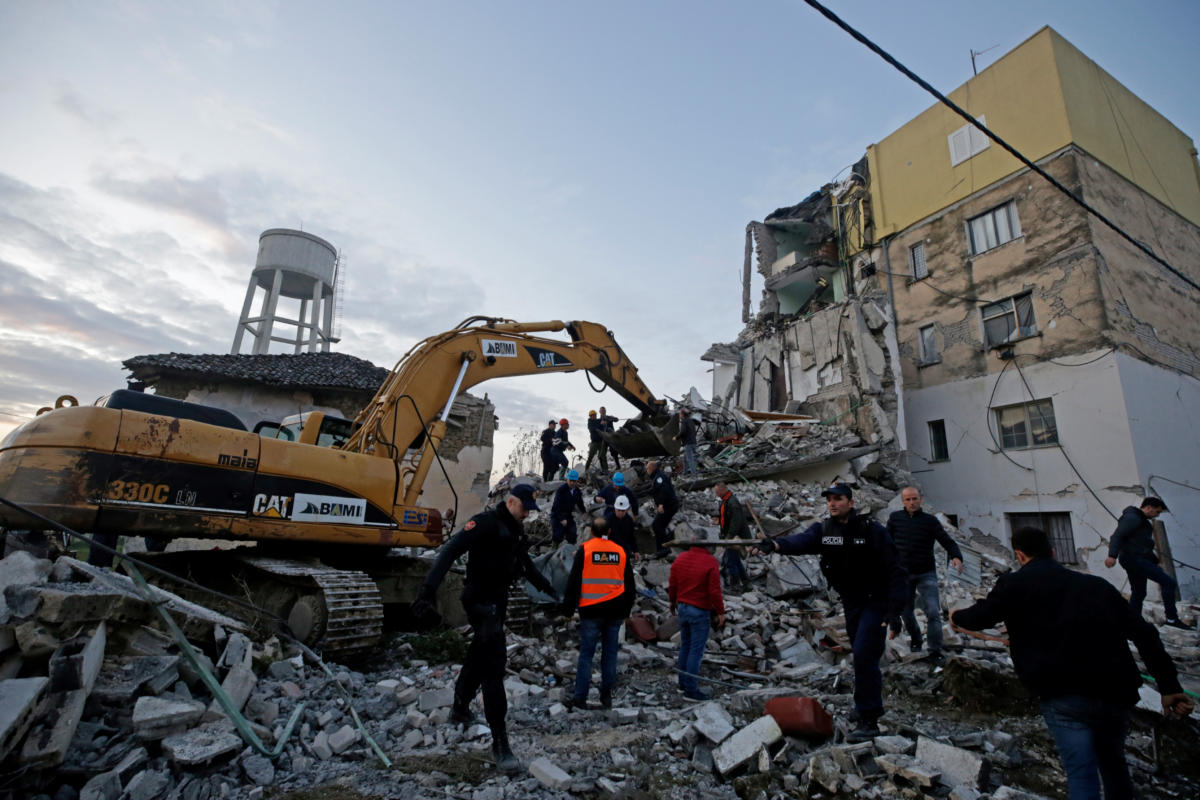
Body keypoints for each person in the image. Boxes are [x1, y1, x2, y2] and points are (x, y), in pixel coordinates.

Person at [951, 526, 1193, 800]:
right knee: (1114, 765)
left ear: (1019, 555)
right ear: (1053, 552)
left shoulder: (1014, 585)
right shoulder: (1097, 586)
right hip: (1114, 692)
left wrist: (956, 617)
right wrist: (1169, 686)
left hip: (1063, 695)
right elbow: (1145, 634)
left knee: (1081, 773)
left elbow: (982, 616)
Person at [412, 484, 557, 774]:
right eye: (525, 507)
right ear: (511, 501)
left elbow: (525, 563)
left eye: (531, 509)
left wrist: (549, 590)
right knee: (494, 664)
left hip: (498, 601)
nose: (528, 513)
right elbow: (451, 549)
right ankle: (500, 742)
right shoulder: (485, 522)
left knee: (480, 653)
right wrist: (428, 590)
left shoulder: (515, 529)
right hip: (478, 601)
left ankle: (459, 707)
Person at [754, 483, 907, 742]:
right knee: (860, 654)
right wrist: (776, 545)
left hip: (876, 602)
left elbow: (896, 569)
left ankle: (869, 720)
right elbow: (800, 541)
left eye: (838, 499)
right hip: (852, 603)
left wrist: (895, 611)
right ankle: (864, 708)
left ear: (851, 502)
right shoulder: (825, 530)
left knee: (865, 656)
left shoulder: (871, 531)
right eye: (829, 500)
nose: (833, 504)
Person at [562, 516, 636, 710]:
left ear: (592, 532)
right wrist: (627, 610)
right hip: (615, 611)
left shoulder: (585, 550)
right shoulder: (620, 552)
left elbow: (574, 581)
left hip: (591, 610)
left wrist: (568, 609)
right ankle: (606, 697)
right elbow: (630, 585)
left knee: (586, 655)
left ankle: (580, 699)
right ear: (609, 532)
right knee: (610, 654)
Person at [886, 486, 965, 662]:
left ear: (920, 499)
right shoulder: (895, 519)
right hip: (903, 574)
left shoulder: (930, 521)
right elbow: (886, 542)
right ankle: (916, 640)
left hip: (926, 573)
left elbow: (946, 541)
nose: (912, 502)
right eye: (908, 500)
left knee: (933, 612)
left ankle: (934, 651)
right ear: (903, 501)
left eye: (914, 499)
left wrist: (957, 557)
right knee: (906, 612)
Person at [1105, 497, 1192, 629]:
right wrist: (1112, 556)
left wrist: (1153, 560)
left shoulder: (1140, 520)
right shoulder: (1133, 518)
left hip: (1134, 558)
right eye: (1157, 512)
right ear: (1149, 507)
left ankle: (1132, 622)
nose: (1157, 515)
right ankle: (1172, 619)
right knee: (1168, 582)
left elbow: (1142, 544)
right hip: (1133, 559)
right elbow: (1117, 536)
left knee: (1139, 592)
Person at [669, 530, 725, 701]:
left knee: (685, 646)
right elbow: (714, 591)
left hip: (683, 607)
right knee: (696, 650)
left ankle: (682, 683)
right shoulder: (710, 562)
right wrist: (721, 611)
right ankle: (691, 690)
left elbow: (673, 583)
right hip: (699, 609)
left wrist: (672, 602)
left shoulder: (680, 559)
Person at [712, 482, 750, 591]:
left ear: (722, 490)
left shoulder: (732, 502)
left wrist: (729, 536)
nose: (716, 494)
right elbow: (728, 519)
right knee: (735, 560)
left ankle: (735, 585)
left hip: (735, 537)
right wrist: (719, 522)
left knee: (731, 561)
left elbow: (736, 522)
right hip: (731, 535)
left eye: (717, 491)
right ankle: (746, 582)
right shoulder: (726, 501)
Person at [646, 460, 679, 558]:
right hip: (669, 505)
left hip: (668, 506)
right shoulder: (658, 476)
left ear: (652, 468)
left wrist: (661, 504)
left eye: (647, 468)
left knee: (657, 525)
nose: (646, 470)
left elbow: (663, 491)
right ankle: (664, 547)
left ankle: (663, 549)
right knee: (660, 525)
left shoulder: (659, 478)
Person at [550, 469, 586, 545]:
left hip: (568, 514)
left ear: (577, 481)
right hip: (557, 514)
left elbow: (580, 503)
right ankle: (554, 548)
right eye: (570, 481)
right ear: (567, 480)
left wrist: (584, 512)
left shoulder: (577, 491)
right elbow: (556, 505)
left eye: (574, 481)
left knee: (572, 533)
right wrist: (562, 518)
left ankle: (570, 549)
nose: (572, 483)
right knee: (558, 534)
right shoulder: (561, 490)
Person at [673, 407, 699, 475]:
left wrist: (676, 437)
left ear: (682, 414)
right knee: (685, 459)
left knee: (690, 459)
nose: (679, 415)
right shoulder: (691, 421)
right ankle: (685, 473)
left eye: (680, 414)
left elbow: (683, 432)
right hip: (693, 442)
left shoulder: (684, 421)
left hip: (688, 443)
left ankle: (694, 475)